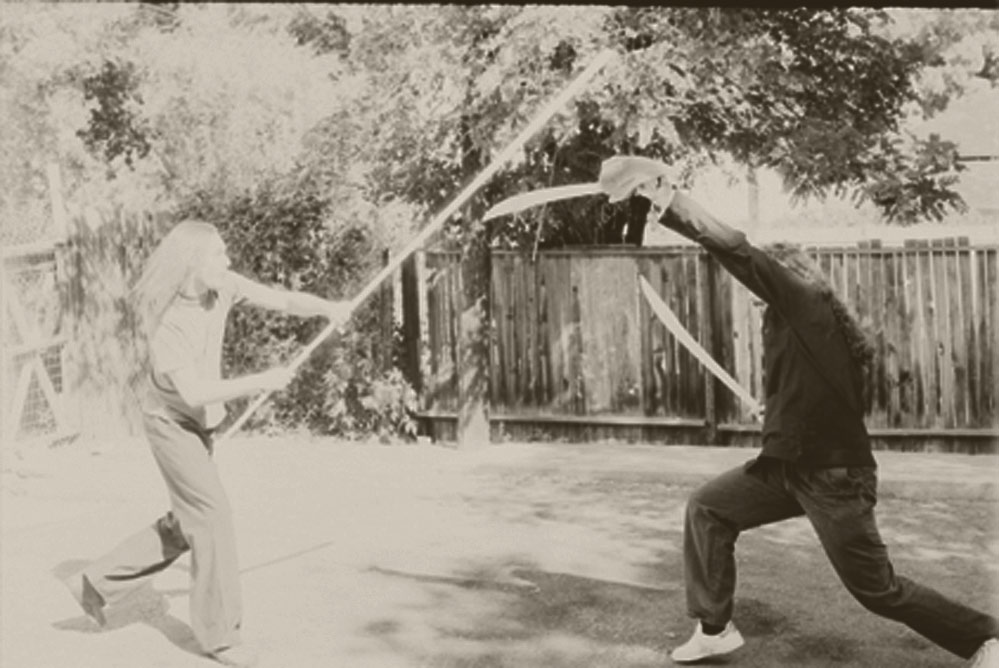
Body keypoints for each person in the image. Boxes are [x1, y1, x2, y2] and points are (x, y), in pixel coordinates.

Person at [597, 156, 999, 667]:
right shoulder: (800, 331)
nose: (755, 300)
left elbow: (737, 250)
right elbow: (809, 401)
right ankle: (714, 628)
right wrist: (776, 415)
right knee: (708, 508)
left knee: (878, 589)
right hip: (787, 469)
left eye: (762, 289)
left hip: (833, 477)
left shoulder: (805, 302)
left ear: (787, 276)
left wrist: (666, 200)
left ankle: (986, 637)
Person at [64, 220, 351, 668]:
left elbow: (282, 300)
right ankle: (220, 637)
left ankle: (95, 583)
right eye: (219, 254)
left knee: (189, 522)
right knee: (212, 516)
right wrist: (263, 381)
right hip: (170, 425)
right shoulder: (169, 325)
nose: (228, 261)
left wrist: (328, 308)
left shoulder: (224, 286)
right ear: (192, 262)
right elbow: (194, 393)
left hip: (200, 425)